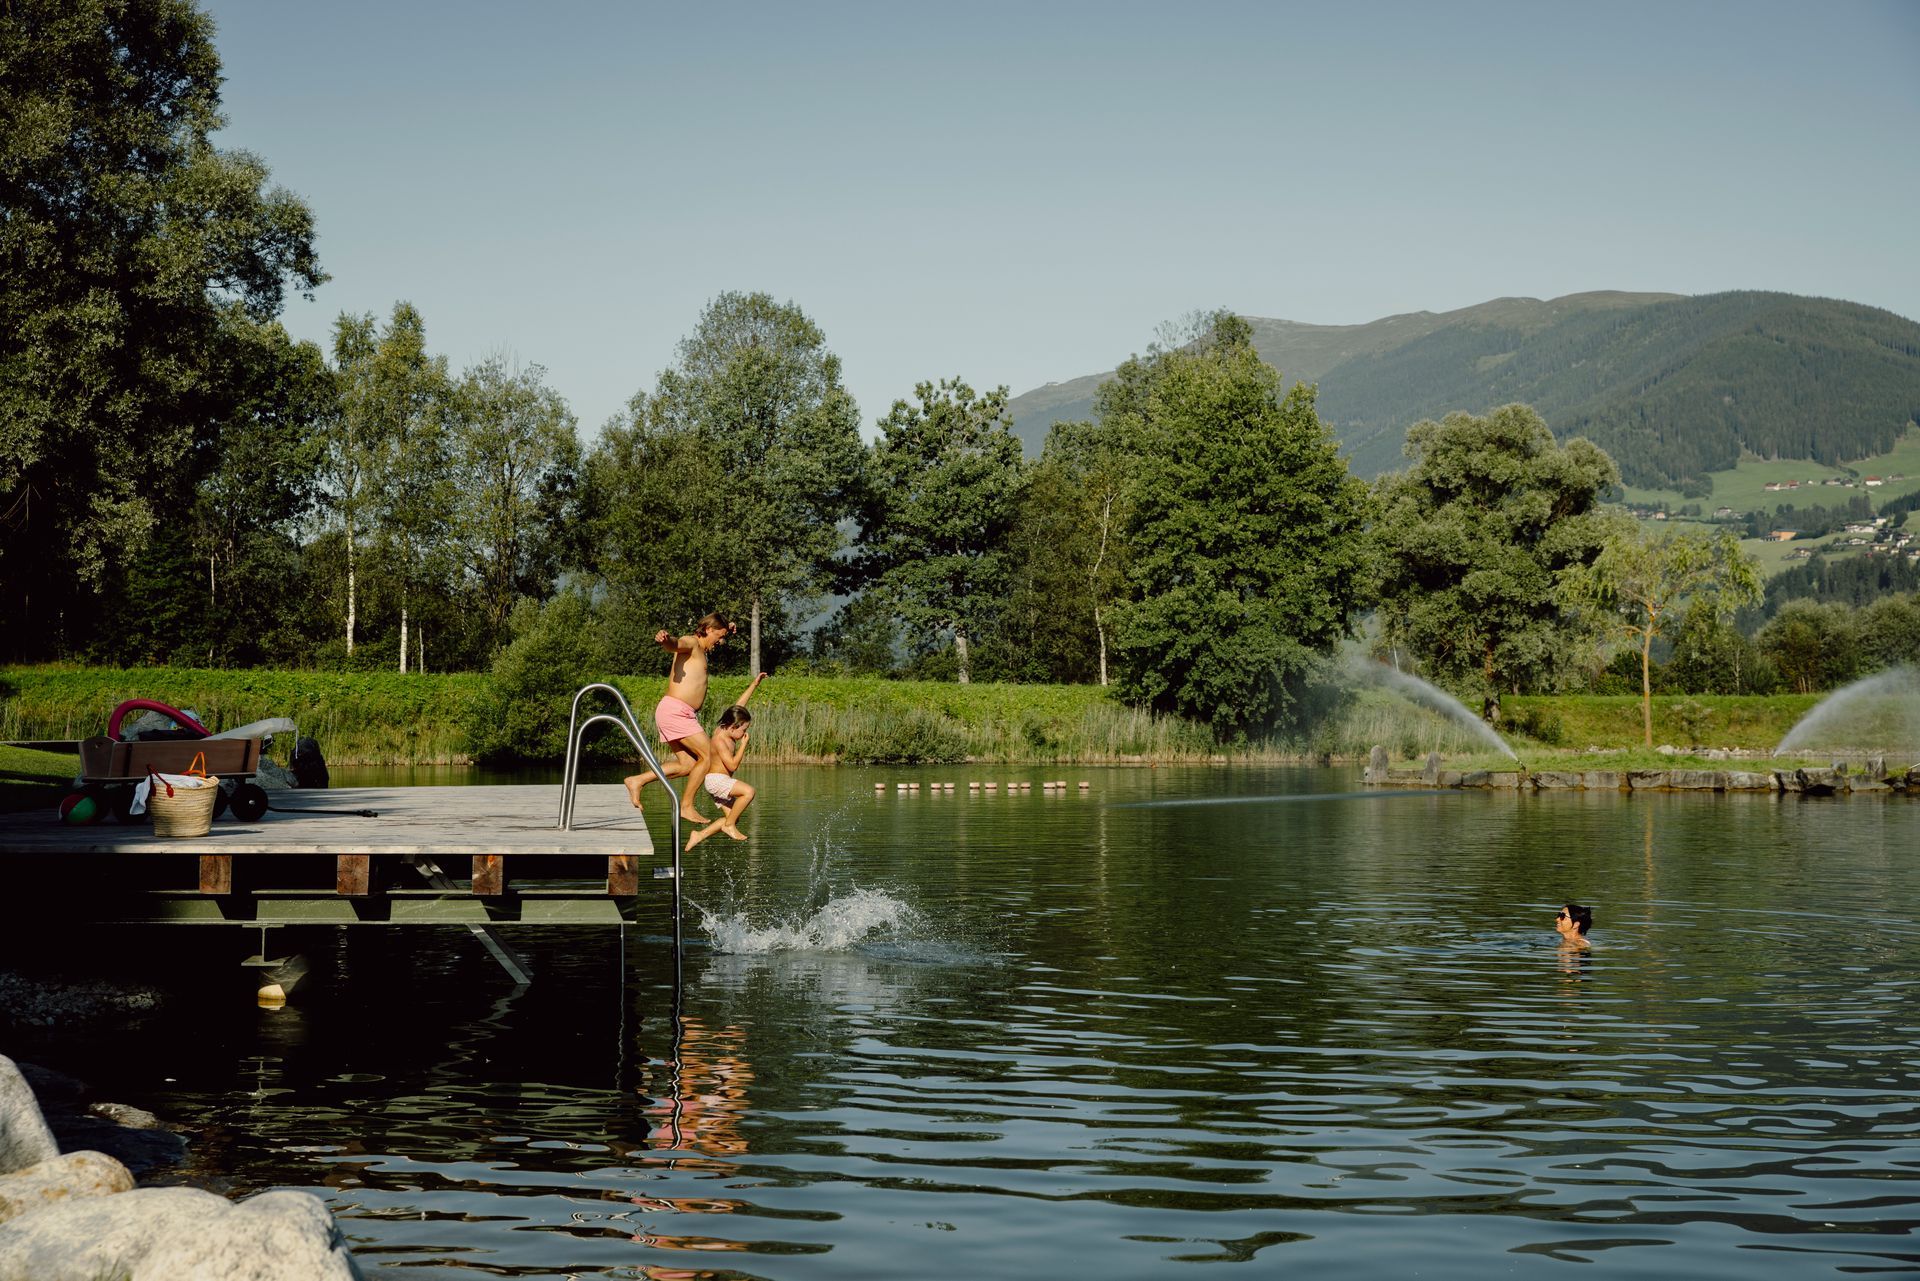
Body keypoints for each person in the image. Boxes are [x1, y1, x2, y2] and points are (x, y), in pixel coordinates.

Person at [624, 613, 735, 826]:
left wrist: (728, 627)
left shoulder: (702, 649)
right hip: (676, 711)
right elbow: (676, 644)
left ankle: (637, 780)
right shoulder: (692, 643)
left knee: (687, 765)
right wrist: (666, 640)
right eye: (719, 637)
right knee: (708, 755)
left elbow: (718, 630)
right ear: (709, 630)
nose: (720, 643)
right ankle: (686, 806)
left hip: (678, 712)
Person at [684, 703, 759, 850]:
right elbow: (732, 766)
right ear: (733, 727)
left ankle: (699, 835)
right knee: (748, 792)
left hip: (719, 781)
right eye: (744, 730)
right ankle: (729, 826)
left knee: (733, 817)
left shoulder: (726, 729)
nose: (744, 734)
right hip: (717, 781)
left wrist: (755, 684)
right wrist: (744, 745)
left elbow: (737, 707)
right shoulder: (719, 740)